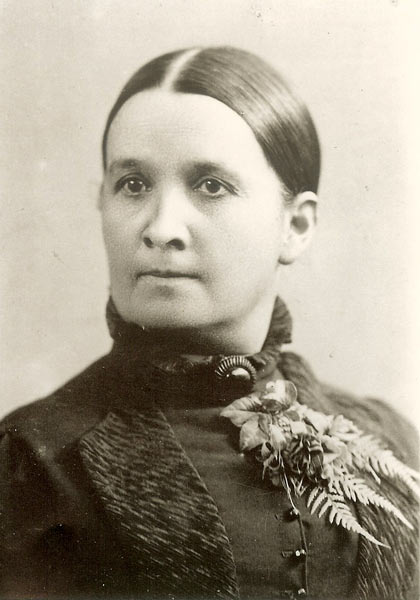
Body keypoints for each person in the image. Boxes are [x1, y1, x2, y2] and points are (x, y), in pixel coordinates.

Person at [0, 46, 418, 600]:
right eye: (133, 184)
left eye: (210, 186)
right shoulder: (35, 460)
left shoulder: (391, 442)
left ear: (295, 226)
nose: (161, 228)